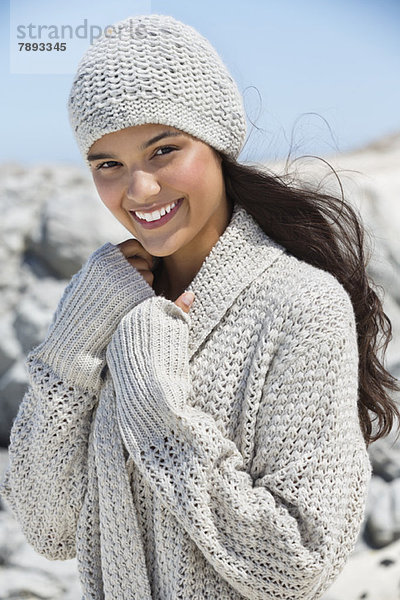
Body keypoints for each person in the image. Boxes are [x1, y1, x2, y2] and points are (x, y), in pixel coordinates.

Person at [1, 13, 399, 600]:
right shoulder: (104, 308)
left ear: (216, 144)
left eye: (163, 150)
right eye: (107, 164)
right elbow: (47, 528)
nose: (138, 191)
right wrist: (70, 350)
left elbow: (295, 562)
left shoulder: (303, 306)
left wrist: (153, 402)